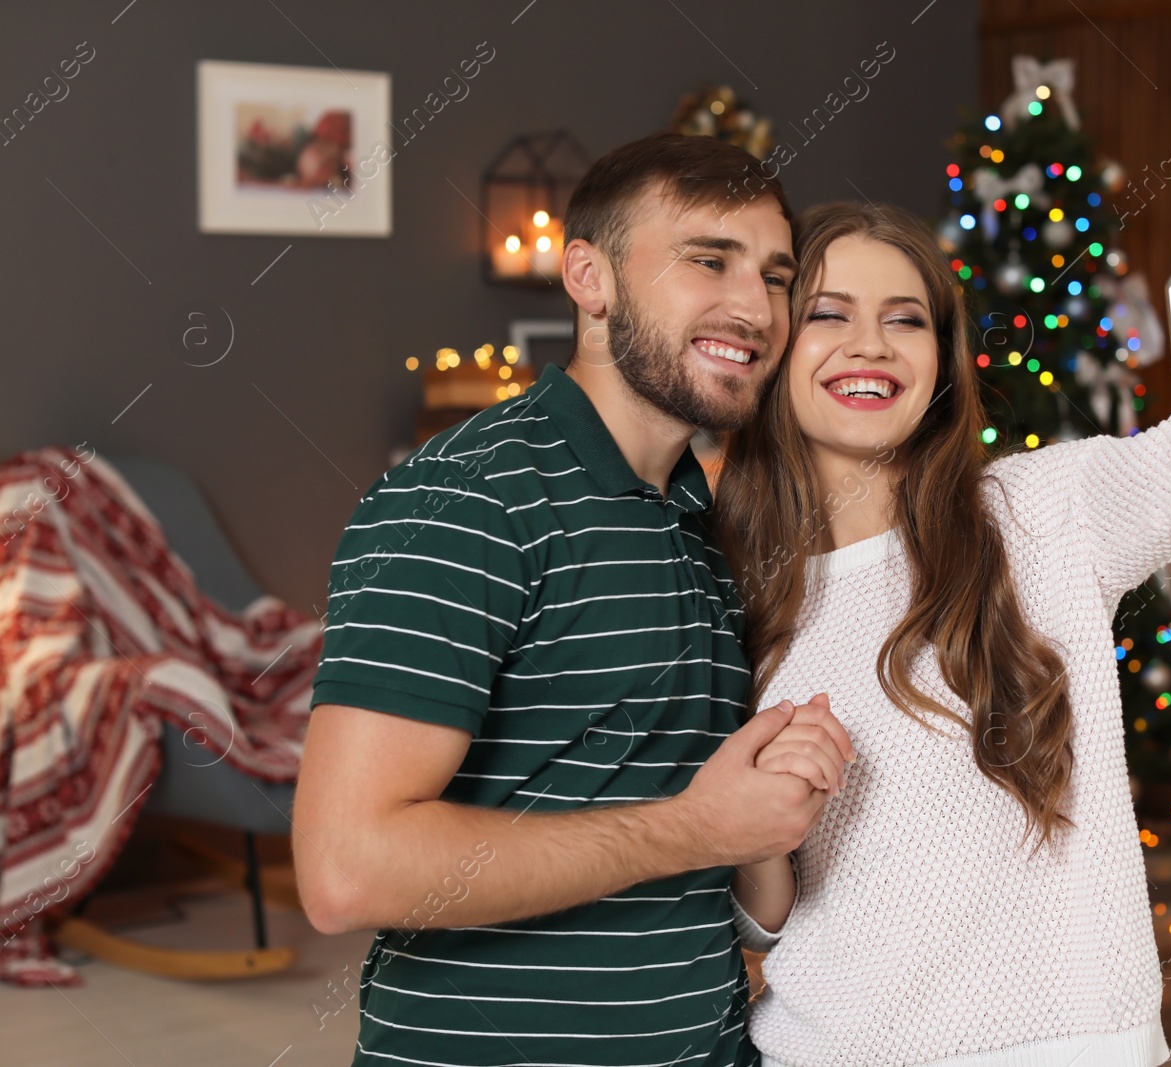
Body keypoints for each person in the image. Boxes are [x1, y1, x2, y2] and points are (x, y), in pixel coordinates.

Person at [714, 201, 1171, 1066]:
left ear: (939, 363)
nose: (868, 344)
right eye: (829, 314)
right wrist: (763, 840)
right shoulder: (731, 589)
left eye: (905, 319)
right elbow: (759, 916)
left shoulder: (1042, 511)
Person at [292, 132, 854, 1067]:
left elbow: (702, 868)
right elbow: (348, 868)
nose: (753, 306)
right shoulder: (470, 498)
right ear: (588, 278)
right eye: (707, 260)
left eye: (776, 275)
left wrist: (753, 820)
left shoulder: (700, 525)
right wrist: (695, 825)